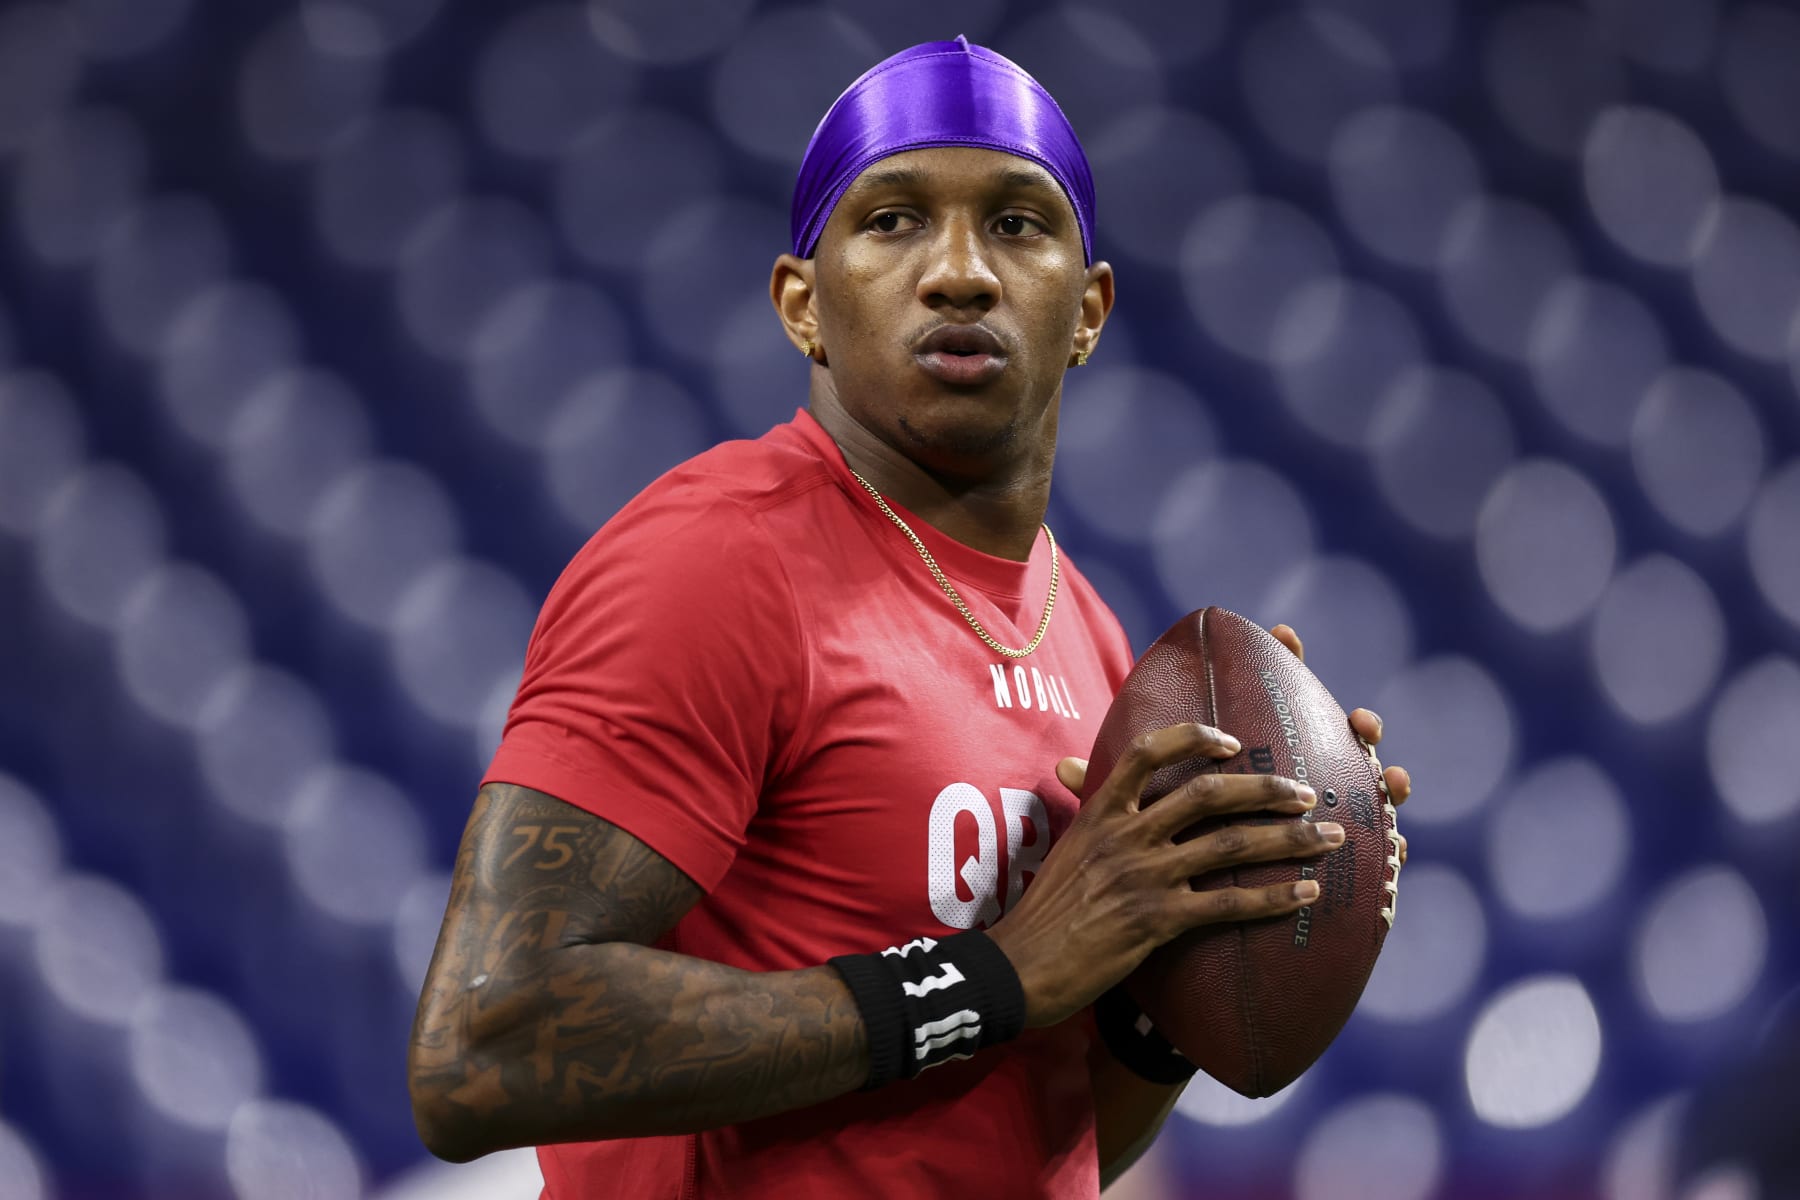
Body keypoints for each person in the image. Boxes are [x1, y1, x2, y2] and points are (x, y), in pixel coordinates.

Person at [407, 36, 1411, 1199]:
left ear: (1088, 312)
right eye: (891, 220)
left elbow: (1043, 1137)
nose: (961, 273)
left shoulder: (1092, 642)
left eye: (1019, 224)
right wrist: (996, 974)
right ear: (803, 305)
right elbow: (480, 1049)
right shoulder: (715, 561)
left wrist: (1187, 969)